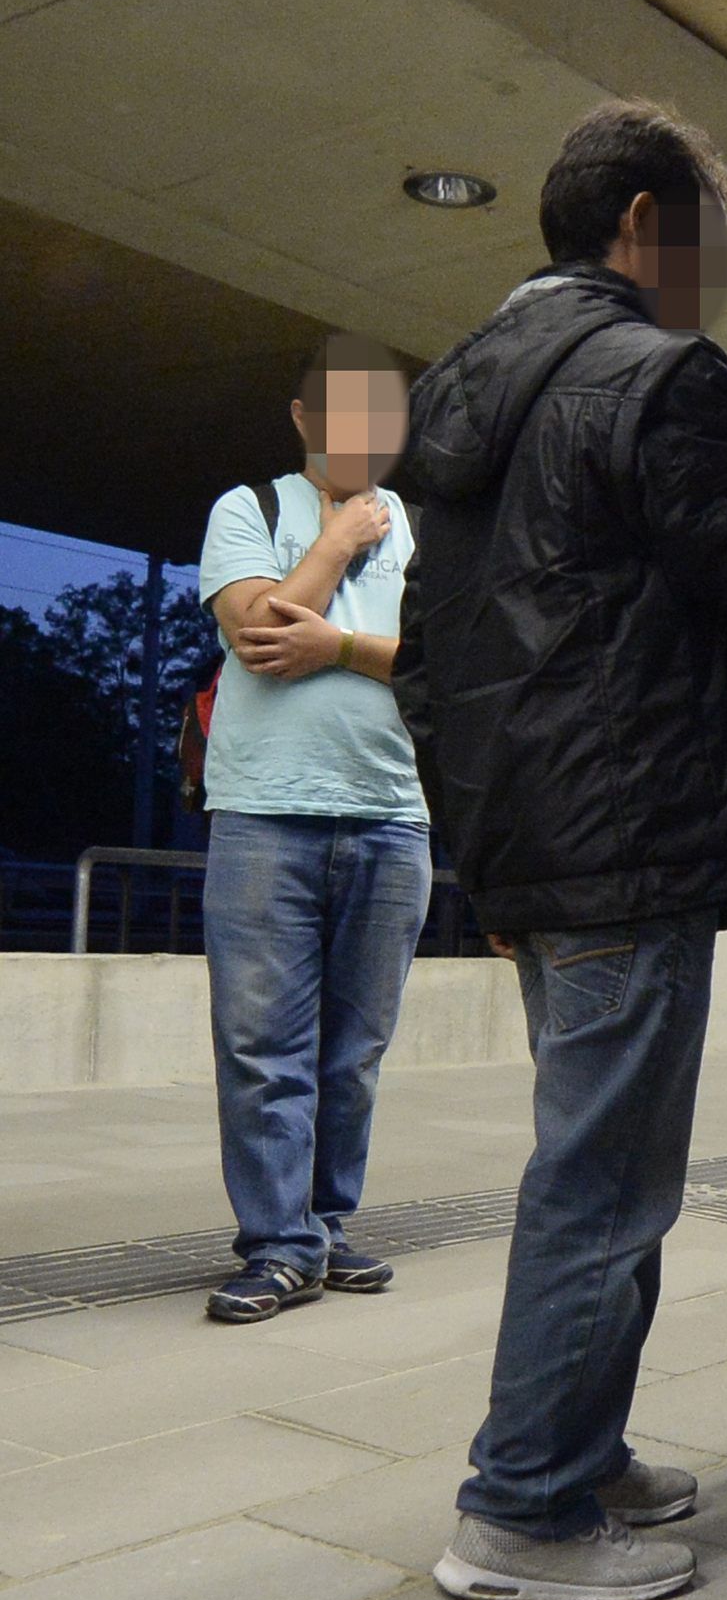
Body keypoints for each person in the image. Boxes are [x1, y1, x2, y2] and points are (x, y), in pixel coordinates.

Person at [393, 99, 727, 1600]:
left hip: (536, 838)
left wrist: (485, 852)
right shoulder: (656, 375)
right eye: (706, 225)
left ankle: (583, 1440)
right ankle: (524, 1505)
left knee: (601, 1160)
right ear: (638, 223)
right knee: (604, 1180)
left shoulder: (463, 387)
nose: (720, 262)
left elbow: (428, 654)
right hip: (630, 831)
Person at [191, 335, 433, 1324]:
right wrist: (335, 544)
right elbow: (257, 639)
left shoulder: (427, 530)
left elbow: (443, 659)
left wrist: (332, 642)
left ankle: (325, 1223)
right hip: (263, 816)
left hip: (392, 817)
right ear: (304, 417)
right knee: (262, 1048)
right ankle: (278, 1243)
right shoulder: (247, 510)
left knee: (354, 1051)